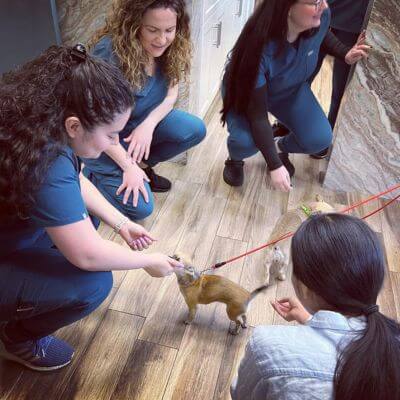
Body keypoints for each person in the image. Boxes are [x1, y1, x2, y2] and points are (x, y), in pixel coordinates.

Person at [0, 44, 183, 372]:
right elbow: (87, 255)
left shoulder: (36, 127)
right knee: (92, 283)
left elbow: (73, 180)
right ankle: (16, 337)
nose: (116, 144)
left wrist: (121, 222)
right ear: (74, 126)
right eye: (111, 135)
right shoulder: (47, 160)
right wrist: (148, 261)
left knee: (90, 224)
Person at [231, 213, 400, 400]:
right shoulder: (392, 341)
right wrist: (309, 320)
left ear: (303, 287)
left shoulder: (268, 347)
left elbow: (240, 394)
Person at [221, 0, 370, 191]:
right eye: (315, 2)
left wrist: (344, 53)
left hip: (288, 90)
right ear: (287, 6)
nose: (324, 6)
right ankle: (235, 159)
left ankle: (277, 146)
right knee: (245, 142)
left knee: (320, 138)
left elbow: (322, 35)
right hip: (246, 94)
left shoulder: (320, 16)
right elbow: (258, 118)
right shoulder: (257, 49)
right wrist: (275, 166)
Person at [83, 0, 206, 221]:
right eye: (152, 30)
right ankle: (87, 180)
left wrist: (147, 126)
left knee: (194, 129)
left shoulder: (172, 47)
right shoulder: (109, 54)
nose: (162, 39)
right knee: (141, 209)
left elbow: (171, 96)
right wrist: (127, 166)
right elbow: (95, 124)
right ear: (134, 24)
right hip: (102, 141)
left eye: (169, 30)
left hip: (136, 130)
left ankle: (142, 167)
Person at [309, 0, 371, 158]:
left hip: (354, 23)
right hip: (323, 12)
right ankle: (285, 126)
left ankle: (324, 140)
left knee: (339, 90)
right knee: (303, 77)